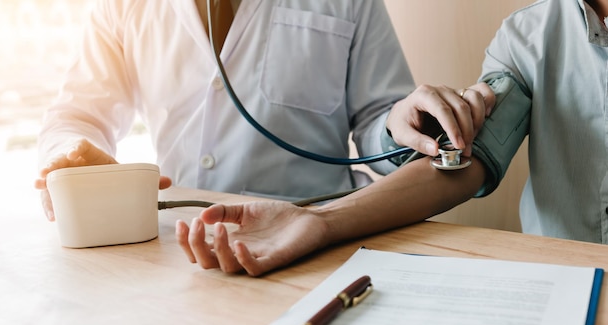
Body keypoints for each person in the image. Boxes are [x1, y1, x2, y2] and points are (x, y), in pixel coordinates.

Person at [177, 0, 608, 276]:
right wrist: (319, 221)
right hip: (570, 284)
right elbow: (457, 163)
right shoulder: (526, 35)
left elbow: (377, 123)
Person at [34, 0, 492, 221]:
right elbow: (79, 114)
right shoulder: (123, 6)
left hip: (320, 235)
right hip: (183, 243)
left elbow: (379, 121)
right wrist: (72, 156)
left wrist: (396, 131)